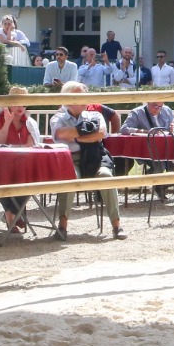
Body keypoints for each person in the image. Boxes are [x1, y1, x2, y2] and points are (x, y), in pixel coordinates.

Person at [49, 83, 123, 240]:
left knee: (106, 177)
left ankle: (117, 226)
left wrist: (75, 136)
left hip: (94, 158)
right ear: (69, 98)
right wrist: (87, 130)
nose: (85, 99)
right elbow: (61, 133)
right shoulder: (58, 117)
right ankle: (62, 226)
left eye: (85, 95)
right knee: (69, 179)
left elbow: (101, 133)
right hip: (70, 160)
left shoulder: (95, 115)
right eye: (80, 95)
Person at [0, 86, 41, 235]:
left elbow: (32, 144)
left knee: (30, 177)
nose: (21, 107)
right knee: (0, 178)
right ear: (9, 103)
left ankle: (11, 213)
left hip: (23, 164)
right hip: (2, 164)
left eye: (24, 104)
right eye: (17, 103)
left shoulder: (29, 122)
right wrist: (7, 123)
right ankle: (13, 214)